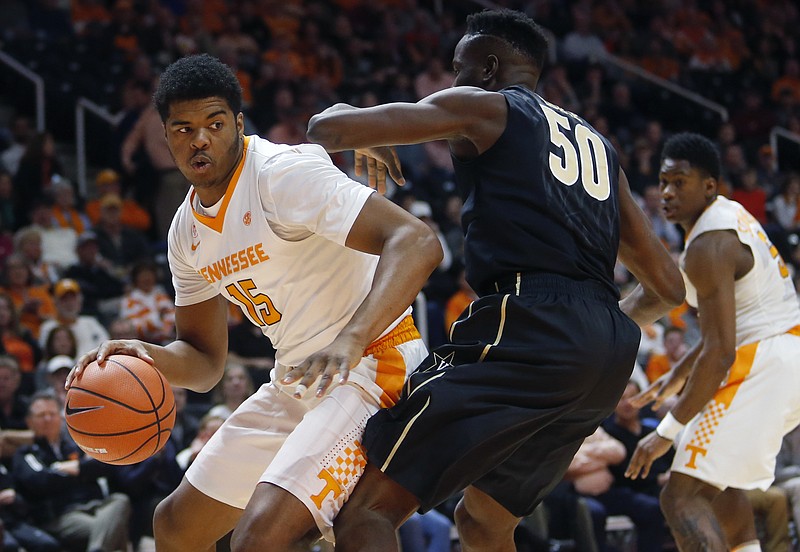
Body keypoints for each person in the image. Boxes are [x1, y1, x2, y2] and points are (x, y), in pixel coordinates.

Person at [302, 9, 684, 552]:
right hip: (607, 347)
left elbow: (327, 128)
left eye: (457, 68)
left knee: (367, 510)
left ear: (489, 67)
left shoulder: (484, 105)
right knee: (485, 520)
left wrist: (357, 127)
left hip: (527, 318)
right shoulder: (600, 147)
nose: (450, 81)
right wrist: (592, 331)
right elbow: (669, 287)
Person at [66, 53, 441, 552]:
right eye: (182, 129)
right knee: (176, 527)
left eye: (214, 124)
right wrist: (145, 355)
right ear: (165, 136)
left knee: (260, 539)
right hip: (298, 379)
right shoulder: (185, 232)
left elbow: (418, 242)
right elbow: (204, 365)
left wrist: (352, 338)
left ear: (238, 125)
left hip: (375, 364)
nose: (199, 140)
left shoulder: (280, 176)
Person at [626, 132, 800, 551]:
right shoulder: (727, 217)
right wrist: (678, 373)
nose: (668, 192)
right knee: (718, 488)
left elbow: (722, 352)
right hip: (779, 356)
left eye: (680, 182)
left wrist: (665, 431)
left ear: (709, 185)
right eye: (664, 181)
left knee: (680, 496)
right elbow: (727, 331)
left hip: (763, 363)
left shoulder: (709, 245)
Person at [12, 391, 131, 552]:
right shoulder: (26, 453)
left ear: (61, 418)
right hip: (61, 516)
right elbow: (40, 480)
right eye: (41, 415)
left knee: (120, 500)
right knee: (112, 529)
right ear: (29, 421)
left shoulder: (76, 445)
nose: (48, 419)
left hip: (98, 507)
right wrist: (83, 470)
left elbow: (107, 464)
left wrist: (76, 468)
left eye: (52, 414)